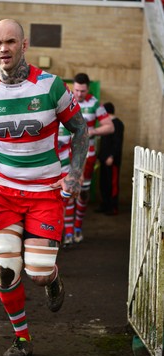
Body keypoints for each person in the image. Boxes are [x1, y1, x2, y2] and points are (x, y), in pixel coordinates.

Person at [0, 19, 89, 356]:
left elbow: (81, 131)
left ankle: (53, 278)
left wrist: (73, 175)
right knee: (7, 272)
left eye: (11, 42)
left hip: (44, 191)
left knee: (37, 273)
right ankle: (22, 338)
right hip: (1, 192)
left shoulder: (51, 86)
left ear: (24, 45)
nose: (4, 49)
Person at [65, 73, 114, 244]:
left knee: (83, 194)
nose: (79, 94)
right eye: (77, 90)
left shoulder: (94, 104)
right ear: (73, 87)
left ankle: (78, 228)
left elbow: (110, 126)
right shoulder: (67, 100)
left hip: (88, 156)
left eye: (83, 91)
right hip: (68, 155)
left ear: (88, 89)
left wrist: (92, 131)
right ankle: (69, 232)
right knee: (69, 191)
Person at [96, 102, 124, 215]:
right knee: (103, 183)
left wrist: (111, 156)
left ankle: (113, 207)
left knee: (112, 184)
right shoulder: (106, 125)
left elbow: (117, 143)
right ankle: (105, 205)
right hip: (104, 159)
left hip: (112, 161)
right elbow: (103, 143)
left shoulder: (118, 124)